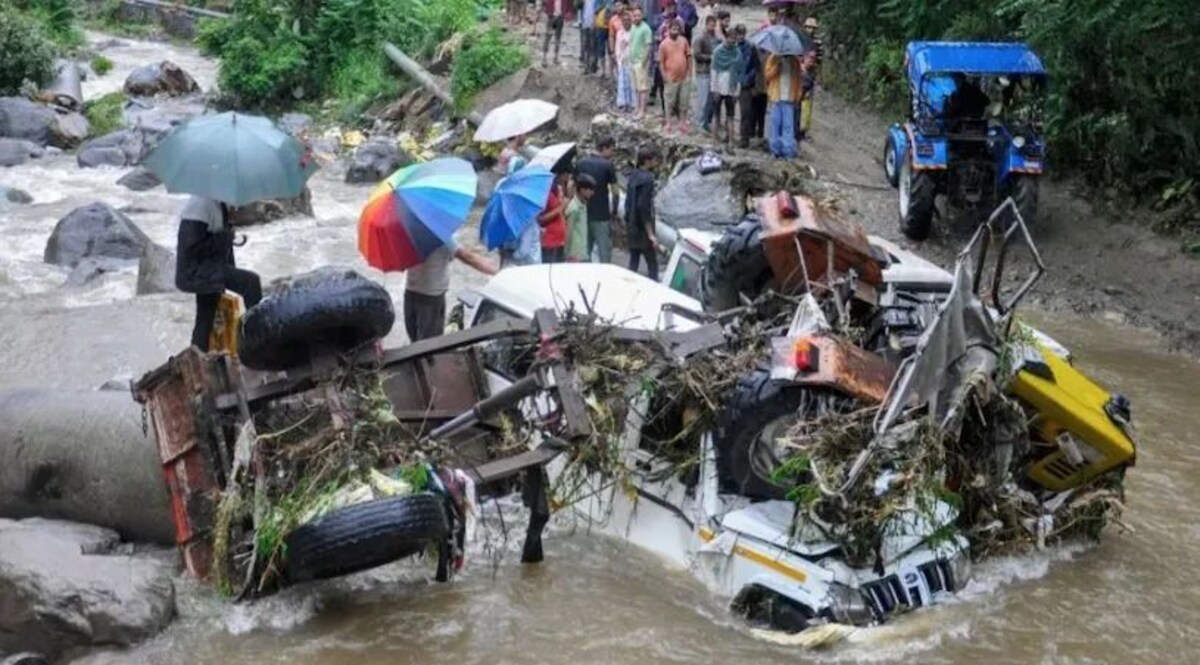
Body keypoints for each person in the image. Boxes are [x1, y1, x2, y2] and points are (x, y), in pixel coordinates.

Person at [175, 195, 262, 351]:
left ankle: (198, 356)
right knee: (251, 283)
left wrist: (227, 237)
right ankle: (256, 342)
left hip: (206, 269)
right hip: (195, 271)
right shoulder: (200, 205)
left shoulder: (216, 202)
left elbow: (213, 240)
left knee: (205, 318)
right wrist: (225, 237)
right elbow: (191, 250)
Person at [405, 239, 497, 341]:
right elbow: (468, 257)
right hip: (431, 297)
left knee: (415, 341)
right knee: (430, 344)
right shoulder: (442, 237)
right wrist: (496, 272)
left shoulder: (409, 234)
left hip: (410, 293)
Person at [574, 135, 621, 262]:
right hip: (601, 216)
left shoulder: (581, 163)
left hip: (583, 213)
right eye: (611, 150)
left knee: (584, 251)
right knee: (604, 253)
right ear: (604, 148)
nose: (612, 153)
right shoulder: (608, 165)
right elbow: (616, 192)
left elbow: (573, 187)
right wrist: (614, 213)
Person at [624, 146, 660, 280]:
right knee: (652, 266)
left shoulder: (633, 175)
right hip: (643, 230)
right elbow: (643, 207)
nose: (656, 163)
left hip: (632, 225)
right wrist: (650, 234)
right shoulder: (648, 179)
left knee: (634, 261)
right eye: (655, 160)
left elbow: (630, 202)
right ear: (648, 161)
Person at [764, 51, 802, 158]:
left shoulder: (795, 61)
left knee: (788, 126)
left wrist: (798, 95)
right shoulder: (773, 58)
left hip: (789, 99)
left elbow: (799, 79)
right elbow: (767, 75)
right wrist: (777, 66)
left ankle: (788, 151)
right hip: (776, 98)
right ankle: (774, 150)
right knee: (775, 125)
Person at [658, 19, 691, 134]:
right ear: (669, 29)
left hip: (684, 77)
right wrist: (664, 76)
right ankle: (668, 123)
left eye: (677, 29)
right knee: (669, 102)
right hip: (671, 78)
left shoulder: (684, 41)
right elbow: (661, 62)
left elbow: (688, 57)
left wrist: (689, 73)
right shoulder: (663, 44)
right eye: (673, 29)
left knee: (684, 101)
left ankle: (682, 123)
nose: (675, 31)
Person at [710, 27, 742, 143]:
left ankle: (731, 143)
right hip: (719, 87)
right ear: (726, 38)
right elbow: (714, 71)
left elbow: (739, 73)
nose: (732, 41)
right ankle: (714, 142)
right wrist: (715, 89)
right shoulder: (718, 52)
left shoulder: (737, 52)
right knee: (716, 116)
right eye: (730, 39)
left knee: (730, 117)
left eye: (734, 39)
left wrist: (737, 91)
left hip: (731, 88)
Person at [735, 24, 762, 148]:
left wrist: (748, 79)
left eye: (742, 33)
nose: (740, 36)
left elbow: (756, 67)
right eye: (738, 33)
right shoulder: (731, 46)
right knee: (729, 110)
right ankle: (728, 135)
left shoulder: (751, 48)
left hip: (746, 85)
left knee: (745, 112)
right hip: (732, 83)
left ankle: (744, 138)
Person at [691, 15, 717, 131]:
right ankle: (699, 122)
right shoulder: (700, 38)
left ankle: (705, 122)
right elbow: (696, 55)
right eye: (711, 25)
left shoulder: (715, 38)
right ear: (706, 24)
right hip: (702, 71)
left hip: (712, 72)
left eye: (714, 25)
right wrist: (710, 57)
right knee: (703, 98)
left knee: (710, 100)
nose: (712, 27)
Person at [627, 7, 653, 119]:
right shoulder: (633, 27)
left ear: (642, 16)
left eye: (638, 15)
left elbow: (648, 46)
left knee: (642, 87)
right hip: (632, 61)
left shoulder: (646, 29)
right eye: (635, 15)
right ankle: (637, 108)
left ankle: (642, 111)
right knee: (636, 87)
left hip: (641, 62)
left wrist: (644, 62)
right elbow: (631, 42)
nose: (636, 17)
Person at [539, 172, 569, 262]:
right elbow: (540, 219)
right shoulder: (544, 195)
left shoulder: (557, 191)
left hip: (560, 240)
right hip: (549, 242)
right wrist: (560, 208)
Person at [565, 173, 595, 261]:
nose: (592, 193)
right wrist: (566, 253)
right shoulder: (574, 208)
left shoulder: (583, 205)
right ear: (582, 190)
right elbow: (569, 232)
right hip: (574, 255)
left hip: (582, 252)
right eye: (590, 190)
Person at [614, 6, 635, 112]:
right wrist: (618, 60)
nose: (626, 22)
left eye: (628, 20)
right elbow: (617, 47)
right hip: (623, 61)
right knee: (622, 84)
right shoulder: (619, 33)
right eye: (624, 20)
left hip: (632, 61)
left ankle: (632, 104)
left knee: (632, 84)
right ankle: (623, 103)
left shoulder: (634, 32)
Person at [542, 0, 574, 66]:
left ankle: (555, 57)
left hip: (560, 18)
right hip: (551, 17)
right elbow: (544, 3)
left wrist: (567, 15)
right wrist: (546, 12)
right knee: (548, 38)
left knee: (557, 39)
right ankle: (544, 58)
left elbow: (570, 4)